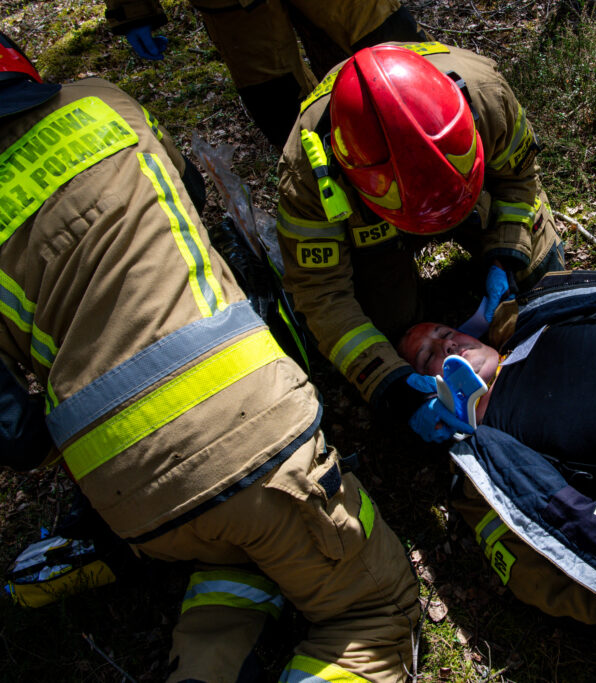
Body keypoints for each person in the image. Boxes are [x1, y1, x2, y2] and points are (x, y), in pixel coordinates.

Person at [0, 34, 419, 682]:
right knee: (375, 608)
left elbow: (19, 436)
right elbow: (190, 195)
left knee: (233, 548)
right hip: (251, 432)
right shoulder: (101, 104)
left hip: (129, 500)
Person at [276, 41, 565, 444]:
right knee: (388, 325)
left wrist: (507, 251)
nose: (447, 346)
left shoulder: (486, 96)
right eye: (435, 353)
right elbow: (322, 295)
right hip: (373, 235)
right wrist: (390, 385)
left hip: (472, 201)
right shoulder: (310, 180)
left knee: (538, 269)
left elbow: (518, 178)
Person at [398, 271, 596, 648]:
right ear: (428, 391)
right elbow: (541, 561)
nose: (446, 346)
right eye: (427, 358)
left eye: (443, 332)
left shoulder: (539, 319)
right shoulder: (492, 457)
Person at [104, 0, 428, 148]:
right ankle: (351, 200)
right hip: (232, 8)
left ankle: (452, 147)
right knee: (283, 108)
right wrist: (133, 9)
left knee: (398, 47)